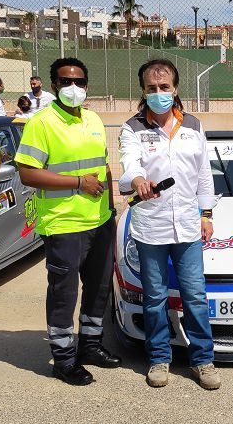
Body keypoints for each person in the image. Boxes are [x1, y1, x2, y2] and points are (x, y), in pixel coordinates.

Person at [14, 57, 121, 385]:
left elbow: (103, 168)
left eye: (79, 82)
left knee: (99, 288)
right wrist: (77, 183)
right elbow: (27, 172)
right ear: (54, 85)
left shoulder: (93, 119)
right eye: (65, 82)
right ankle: (63, 357)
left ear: (87, 86)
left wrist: (111, 208)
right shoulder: (41, 122)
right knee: (64, 292)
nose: (73, 88)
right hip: (63, 224)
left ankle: (90, 345)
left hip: (99, 221)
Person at [118, 59, 221, 390]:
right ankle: (159, 358)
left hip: (189, 226)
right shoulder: (132, 128)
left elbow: (204, 173)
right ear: (143, 92)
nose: (158, 93)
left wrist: (206, 214)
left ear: (175, 89)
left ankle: (202, 360)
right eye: (152, 88)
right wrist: (136, 180)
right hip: (151, 226)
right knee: (155, 296)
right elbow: (129, 163)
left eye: (164, 87)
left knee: (194, 295)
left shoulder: (193, 125)